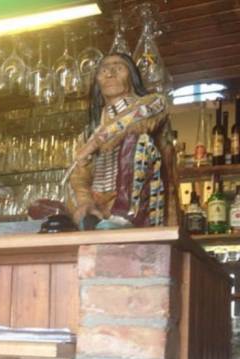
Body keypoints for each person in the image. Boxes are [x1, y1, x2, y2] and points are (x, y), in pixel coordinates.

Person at [69, 53, 174, 228]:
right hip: (101, 210)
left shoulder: (154, 104)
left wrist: (93, 144)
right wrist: (85, 201)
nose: (110, 74)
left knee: (135, 138)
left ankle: (125, 214)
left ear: (132, 77)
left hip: (141, 208)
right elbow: (79, 176)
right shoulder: (89, 132)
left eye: (118, 68)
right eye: (104, 70)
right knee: (42, 208)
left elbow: (133, 119)